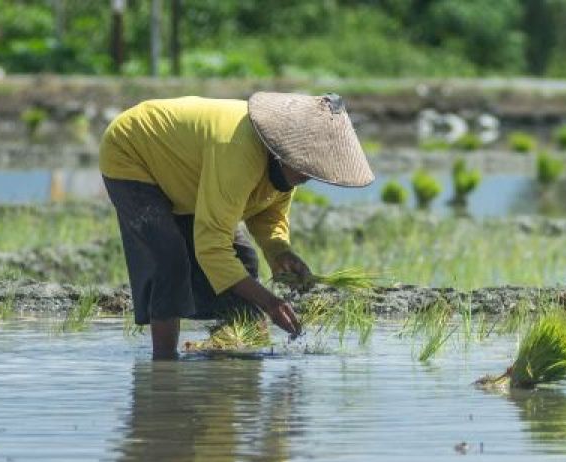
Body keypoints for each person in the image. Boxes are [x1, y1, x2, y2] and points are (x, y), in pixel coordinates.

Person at [99, 92, 375, 359]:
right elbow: (211, 247)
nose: (307, 177)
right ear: (283, 153)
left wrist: (280, 252)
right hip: (132, 150)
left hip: (188, 174)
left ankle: (229, 346)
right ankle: (164, 364)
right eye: (305, 169)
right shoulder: (238, 151)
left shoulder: (286, 168)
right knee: (169, 258)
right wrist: (269, 303)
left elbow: (269, 216)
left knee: (244, 258)